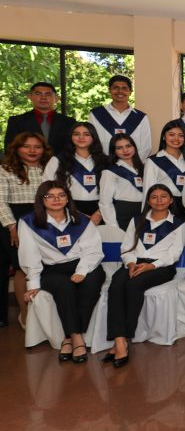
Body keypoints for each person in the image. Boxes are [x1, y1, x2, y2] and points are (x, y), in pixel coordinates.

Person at [19, 180, 104, 362]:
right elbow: (29, 254)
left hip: (85, 264)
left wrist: (82, 271)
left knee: (90, 285)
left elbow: (93, 250)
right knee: (65, 287)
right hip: (52, 269)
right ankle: (76, 337)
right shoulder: (29, 222)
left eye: (61, 195)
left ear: (67, 198)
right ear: (42, 200)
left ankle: (68, 338)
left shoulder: (81, 220)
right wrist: (33, 284)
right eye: (50, 196)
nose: (56, 199)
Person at [104, 184, 185, 367]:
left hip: (161, 266)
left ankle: (125, 338)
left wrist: (151, 266)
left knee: (133, 285)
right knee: (116, 285)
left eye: (163, 196)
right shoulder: (137, 220)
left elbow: (174, 254)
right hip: (134, 262)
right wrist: (131, 264)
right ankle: (119, 339)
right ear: (148, 201)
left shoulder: (179, 223)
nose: (159, 201)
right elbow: (126, 247)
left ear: (171, 200)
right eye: (154, 197)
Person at [0, 132, 50, 328]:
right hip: (14, 221)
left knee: (44, 265)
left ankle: (44, 313)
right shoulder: (5, 169)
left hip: (43, 219)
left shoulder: (48, 168)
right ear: (17, 148)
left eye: (37, 147)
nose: (32, 151)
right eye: (26, 146)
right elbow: (1, 201)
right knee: (23, 266)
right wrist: (13, 226)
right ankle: (25, 313)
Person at [42, 122, 107, 225]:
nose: (81, 137)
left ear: (93, 137)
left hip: (101, 211)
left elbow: (115, 192)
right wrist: (72, 211)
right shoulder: (58, 160)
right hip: (67, 209)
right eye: (76, 134)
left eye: (86, 134)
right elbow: (46, 187)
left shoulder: (105, 161)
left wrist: (99, 214)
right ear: (71, 137)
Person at [88, 75, 153, 159]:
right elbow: (91, 142)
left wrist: (131, 164)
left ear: (130, 92)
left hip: (133, 165)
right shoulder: (96, 114)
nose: (120, 91)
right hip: (103, 164)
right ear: (109, 90)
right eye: (116, 88)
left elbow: (146, 147)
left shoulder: (141, 117)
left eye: (124, 88)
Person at [142, 121, 185, 218]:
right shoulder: (153, 161)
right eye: (171, 135)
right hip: (165, 207)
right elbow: (148, 190)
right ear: (164, 136)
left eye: (180, 135)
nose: (176, 139)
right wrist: (146, 216)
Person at [4, 81, 75, 153]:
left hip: (61, 160)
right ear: (30, 97)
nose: (43, 98)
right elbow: (10, 150)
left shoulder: (69, 123)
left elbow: (74, 149)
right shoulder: (16, 121)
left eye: (48, 94)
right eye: (38, 94)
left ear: (56, 98)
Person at [99, 134, 145, 230]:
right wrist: (113, 227)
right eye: (119, 148)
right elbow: (105, 202)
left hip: (143, 213)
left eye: (128, 146)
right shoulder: (110, 171)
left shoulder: (145, 168)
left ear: (134, 147)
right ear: (114, 151)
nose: (125, 150)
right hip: (122, 214)